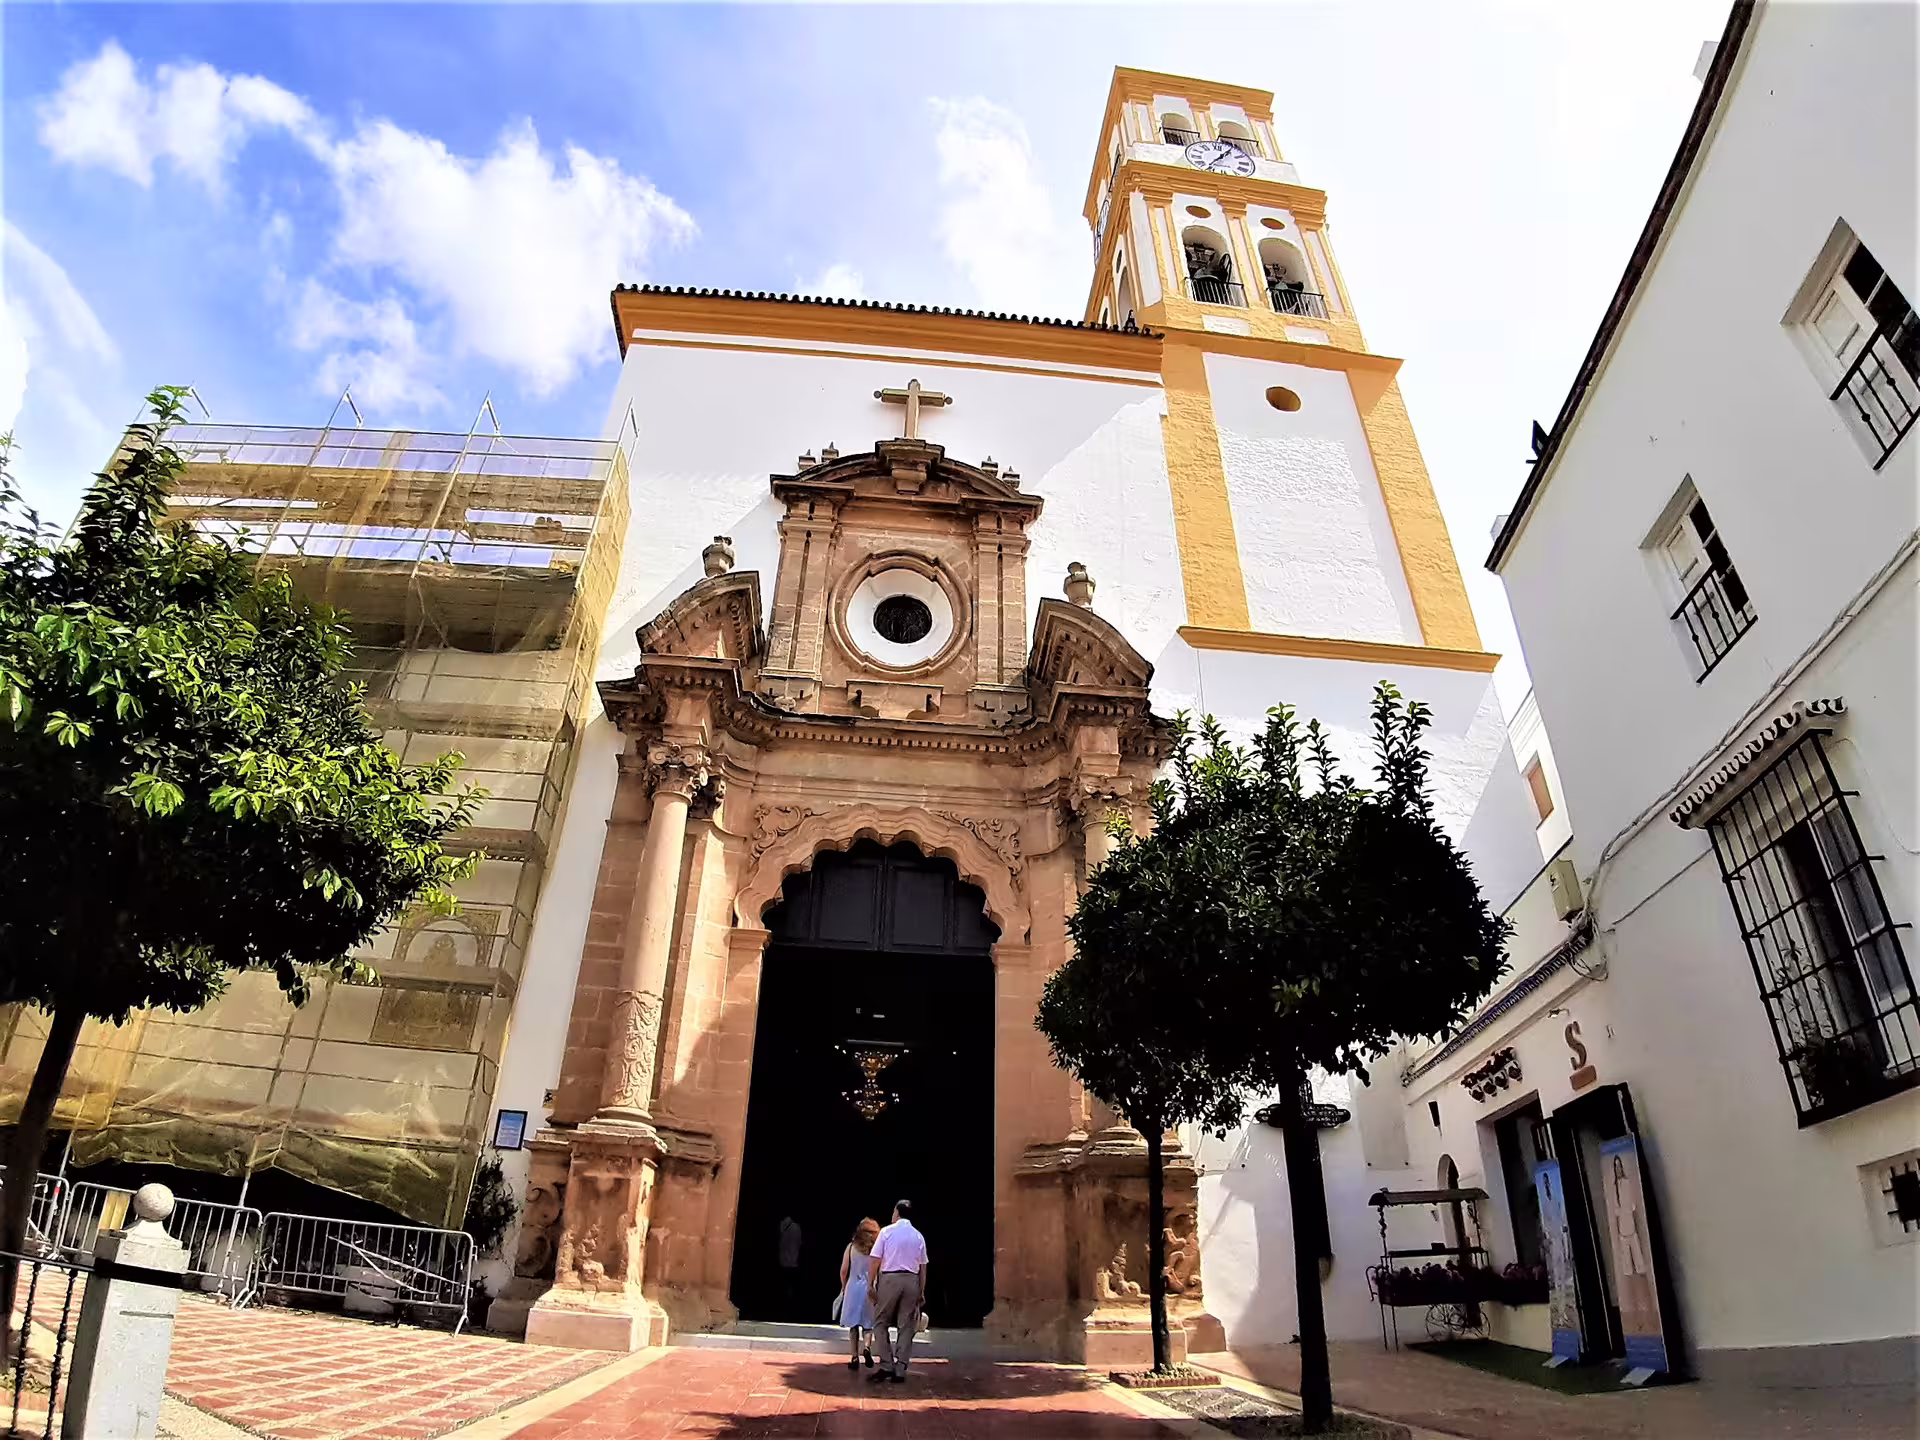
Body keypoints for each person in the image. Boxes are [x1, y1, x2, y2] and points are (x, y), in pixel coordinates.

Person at [865, 1199, 928, 1384]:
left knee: (880, 1321)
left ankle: (886, 1365)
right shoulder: (918, 1236)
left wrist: (870, 1283)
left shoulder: (886, 1232)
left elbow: (875, 1259)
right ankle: (900, 1368)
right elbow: (923, 1267)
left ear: (897, 1213)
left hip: (890, 1278)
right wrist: (922, 1290)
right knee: (907, 1325)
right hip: (911, 1280)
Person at [837, 1217, 881, 1369]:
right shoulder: (876, 1250)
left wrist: (844, 1287)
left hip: (853, 1287)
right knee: (868, 1325)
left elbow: (843, 1270)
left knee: (853, 1326)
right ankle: (867, 1347)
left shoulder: (851, 1248)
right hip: (869, 1288)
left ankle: (854, 1357)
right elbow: (880, 1271)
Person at [776, 1215, 802, 1315]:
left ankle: (784, 1303)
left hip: (782, 1260)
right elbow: (799, 1243)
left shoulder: (781, 1226)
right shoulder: (796, 1227)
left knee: (784, 1283)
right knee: (791, 1284)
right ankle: (791, 1304)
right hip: (793, 1261)